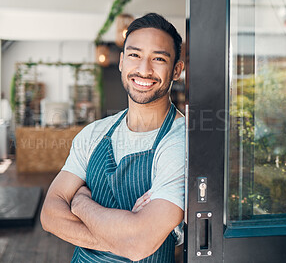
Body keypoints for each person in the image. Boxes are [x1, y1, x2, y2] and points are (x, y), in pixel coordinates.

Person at [40, 13, 185, 262]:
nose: (144, 69)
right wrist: (122, 238)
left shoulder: (181, 142)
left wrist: (81, 203)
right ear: (121, 62)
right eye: (134, 55)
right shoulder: (94, 133)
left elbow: (140, 243)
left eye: (158, 58)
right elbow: (50, 215)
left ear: (176, 70)